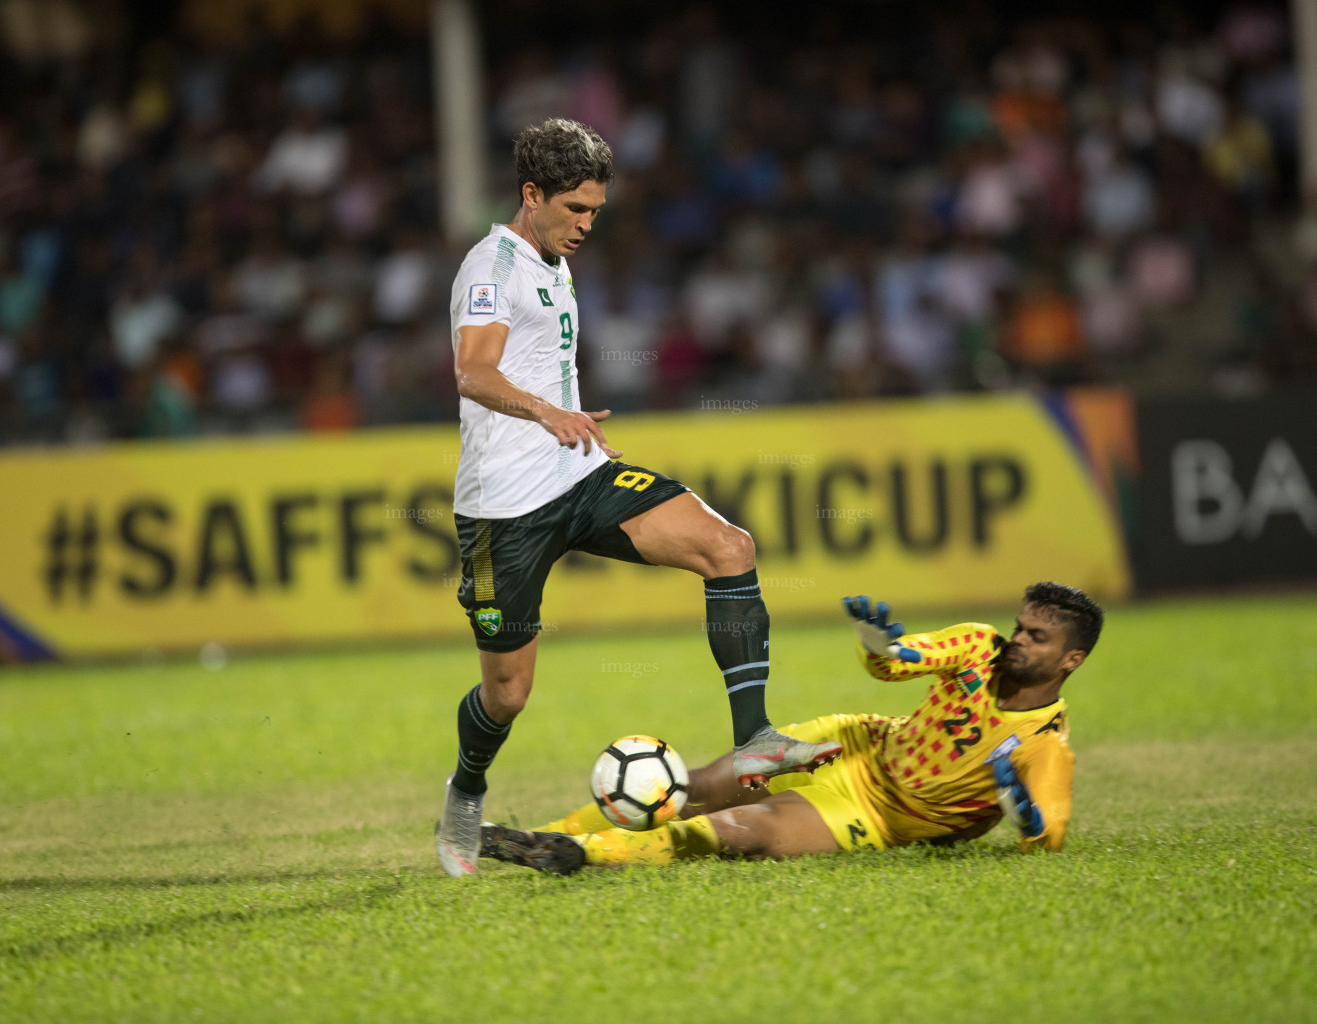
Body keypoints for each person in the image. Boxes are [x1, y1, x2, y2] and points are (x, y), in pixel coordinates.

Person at [435, 118, 842, 877]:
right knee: (508, 694)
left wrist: (566, 425)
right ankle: (465, 790)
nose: (588, 225)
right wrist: (550, 412)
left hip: (578, 475)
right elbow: (473, 373)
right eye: (576, 210)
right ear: (531, 195)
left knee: (730, 547)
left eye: (596, 210)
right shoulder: (491, 267)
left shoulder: (551, 256)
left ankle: (754, 736)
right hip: (503, 512)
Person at [479, 581, 1102, 874]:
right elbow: (896, 663)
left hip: (885, 814)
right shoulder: (978, 646)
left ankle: (578, 853)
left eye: (1036, 637)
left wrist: (1026, 820)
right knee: (698, 787)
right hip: (855, 743)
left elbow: (1047, 835)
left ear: (1071, 661)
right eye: (1019, 626)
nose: (1017, 640)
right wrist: (875, 642)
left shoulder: (1046, 746)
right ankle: (528, 837)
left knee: (743, 831)